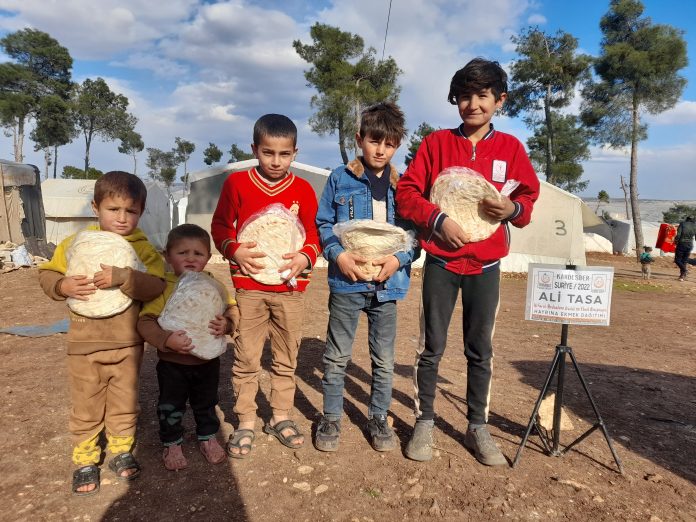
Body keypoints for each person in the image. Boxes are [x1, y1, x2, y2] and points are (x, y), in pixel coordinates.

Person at [395, 58, 540, 466]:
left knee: (480, 348)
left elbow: (528, 203)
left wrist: (511, 207)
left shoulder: (510, 149)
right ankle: (424, 419)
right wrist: (437, 219)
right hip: (442, 263)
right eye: (464, 96)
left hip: (486, 267)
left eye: (482, 96)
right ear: (455, 99)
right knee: (431, 345)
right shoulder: (436, 144)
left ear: (499, 100)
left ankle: (478, 425)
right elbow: (407, 193)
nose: (472, 104)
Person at [39, 171, 166, 495]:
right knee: (86, 404)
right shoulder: (75, 244)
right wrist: (61, 284)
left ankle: (122, 450)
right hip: (84, 344)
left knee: (125, 401)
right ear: (96, 207)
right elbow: (48, 273)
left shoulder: (145, 250)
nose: (123, 218)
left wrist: (125, 276)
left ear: (141, 210)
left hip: (126, 345)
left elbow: (157, 285)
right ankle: (85, 459)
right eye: (114, 209)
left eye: (131, 211)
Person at [211, 114, 321, 458]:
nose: (276, 161)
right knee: (246, 356)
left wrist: (305, 257)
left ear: (295, 153)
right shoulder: (237, 184)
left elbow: (314, 234)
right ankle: (245, 420)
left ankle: (281, 416)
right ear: (254, 149)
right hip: (250, 288)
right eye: (268, 152)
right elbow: (220, 226)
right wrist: (235, 248)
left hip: (290, 289)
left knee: (287, 357)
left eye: (284, 154)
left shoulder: (302, 189)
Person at [314, 102, 418, 452]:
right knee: (337, 355)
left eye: (389, 144)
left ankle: (378, 416)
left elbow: (412, 236)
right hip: (347, 283)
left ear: (397, 146)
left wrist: (399, 260)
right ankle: (330, 416)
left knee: (384, 359)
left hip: (387, 287)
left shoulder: (404, 186)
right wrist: (339, 255)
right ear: (360, 139)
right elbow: (323, 224)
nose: (381, 150)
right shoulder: (339, 178)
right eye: (375, 141)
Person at [137, 224, 237, 470]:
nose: (190, 258)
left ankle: (208, 438)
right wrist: (165, 340)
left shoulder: (215, 286)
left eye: (198, 253)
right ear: (167, 256)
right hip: (173, 364)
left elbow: (231, 308)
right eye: (182, 253)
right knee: (171, 405)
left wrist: (228, 323)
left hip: (207, 362)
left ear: (208, 258)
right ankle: (172, 442)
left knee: (206, 402)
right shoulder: (163, 287)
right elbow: (145, 322)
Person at [673, 215, 696, 281]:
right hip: (690, 245)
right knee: (684, 261)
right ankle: (682, 276)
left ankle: (684, 271)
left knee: (677, 260)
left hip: (682, 244)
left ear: (687, 219)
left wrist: (675, 241)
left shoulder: (682, 224)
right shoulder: (695, 225)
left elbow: (678, 235)